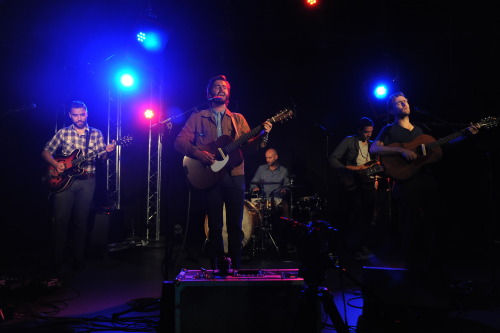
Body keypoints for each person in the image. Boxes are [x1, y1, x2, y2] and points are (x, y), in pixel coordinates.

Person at [370, 92, 478, 271]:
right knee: (410, 224)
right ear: (391, 109)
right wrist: (400, 150)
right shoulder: (389, 129)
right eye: (399, 103)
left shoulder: (421, 130)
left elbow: (443, 146)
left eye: (405, 101)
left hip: (426, 179)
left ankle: (434, 265)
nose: (404, 104)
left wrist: (465, 135)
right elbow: (374, 147)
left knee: (440, 220)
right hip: (406, 182)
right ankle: (409, 268)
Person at [174, 75, 272, 269]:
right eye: (216, 87)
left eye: (224, 88)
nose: (220, 89)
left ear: (228, 94)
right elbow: (179, 142)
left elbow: (250, 149)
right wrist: (199, 153)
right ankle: (217, 268)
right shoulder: (197, 117)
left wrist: (263, 136)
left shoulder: (238, 119)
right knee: (215, 227)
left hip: (235, 175)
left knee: (235, 225)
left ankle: (235, 268)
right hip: (209, 177)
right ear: (209, 93)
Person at [42, 100, 116, 274]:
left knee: (81, 222)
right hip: (64, 182)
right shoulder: (63, 132)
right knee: (60, 221)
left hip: (88, 181)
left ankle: (78, 259)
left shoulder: (96, 133)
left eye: (82, 114)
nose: (79, 118)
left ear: (87, 113)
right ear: (70, 115)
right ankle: (57, 259)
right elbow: (45, 151)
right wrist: (56, 164)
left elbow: (102, 159)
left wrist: (108, 151)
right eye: (75, 115)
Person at [329, 117, 379, 260]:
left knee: (368, 216)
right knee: (357, 216)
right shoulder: (349, 141)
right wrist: (350, 169)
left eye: (370, 132)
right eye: (365, 132)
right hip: (353, 183)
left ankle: (363, 246)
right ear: (359, 130)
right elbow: (333, 159)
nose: (368, 135)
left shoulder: (372, 144)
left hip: (368, 183)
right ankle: (352, 248)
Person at [250, 148, 291, 218]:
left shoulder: (284, 171)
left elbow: (287, 186)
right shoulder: (261, 168)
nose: (267, 160)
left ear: (276, 157)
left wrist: (285, 190)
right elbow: (253, 182)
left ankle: (285, 226)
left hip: (277, 199)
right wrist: (255, 187)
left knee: (285, 205)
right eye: (266, 158)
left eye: (270, 158)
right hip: (263, 199)